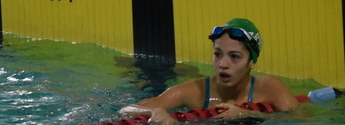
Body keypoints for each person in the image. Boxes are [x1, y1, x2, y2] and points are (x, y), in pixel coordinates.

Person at [120, 19, 301, 123]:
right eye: (217, 54)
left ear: (252, 61)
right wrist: (155, 112)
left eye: (235, 56)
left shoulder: (268, 87)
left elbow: (302, 119)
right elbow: (127, 109)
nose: (223, 64)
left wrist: (249, 114)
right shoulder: (195, 92)